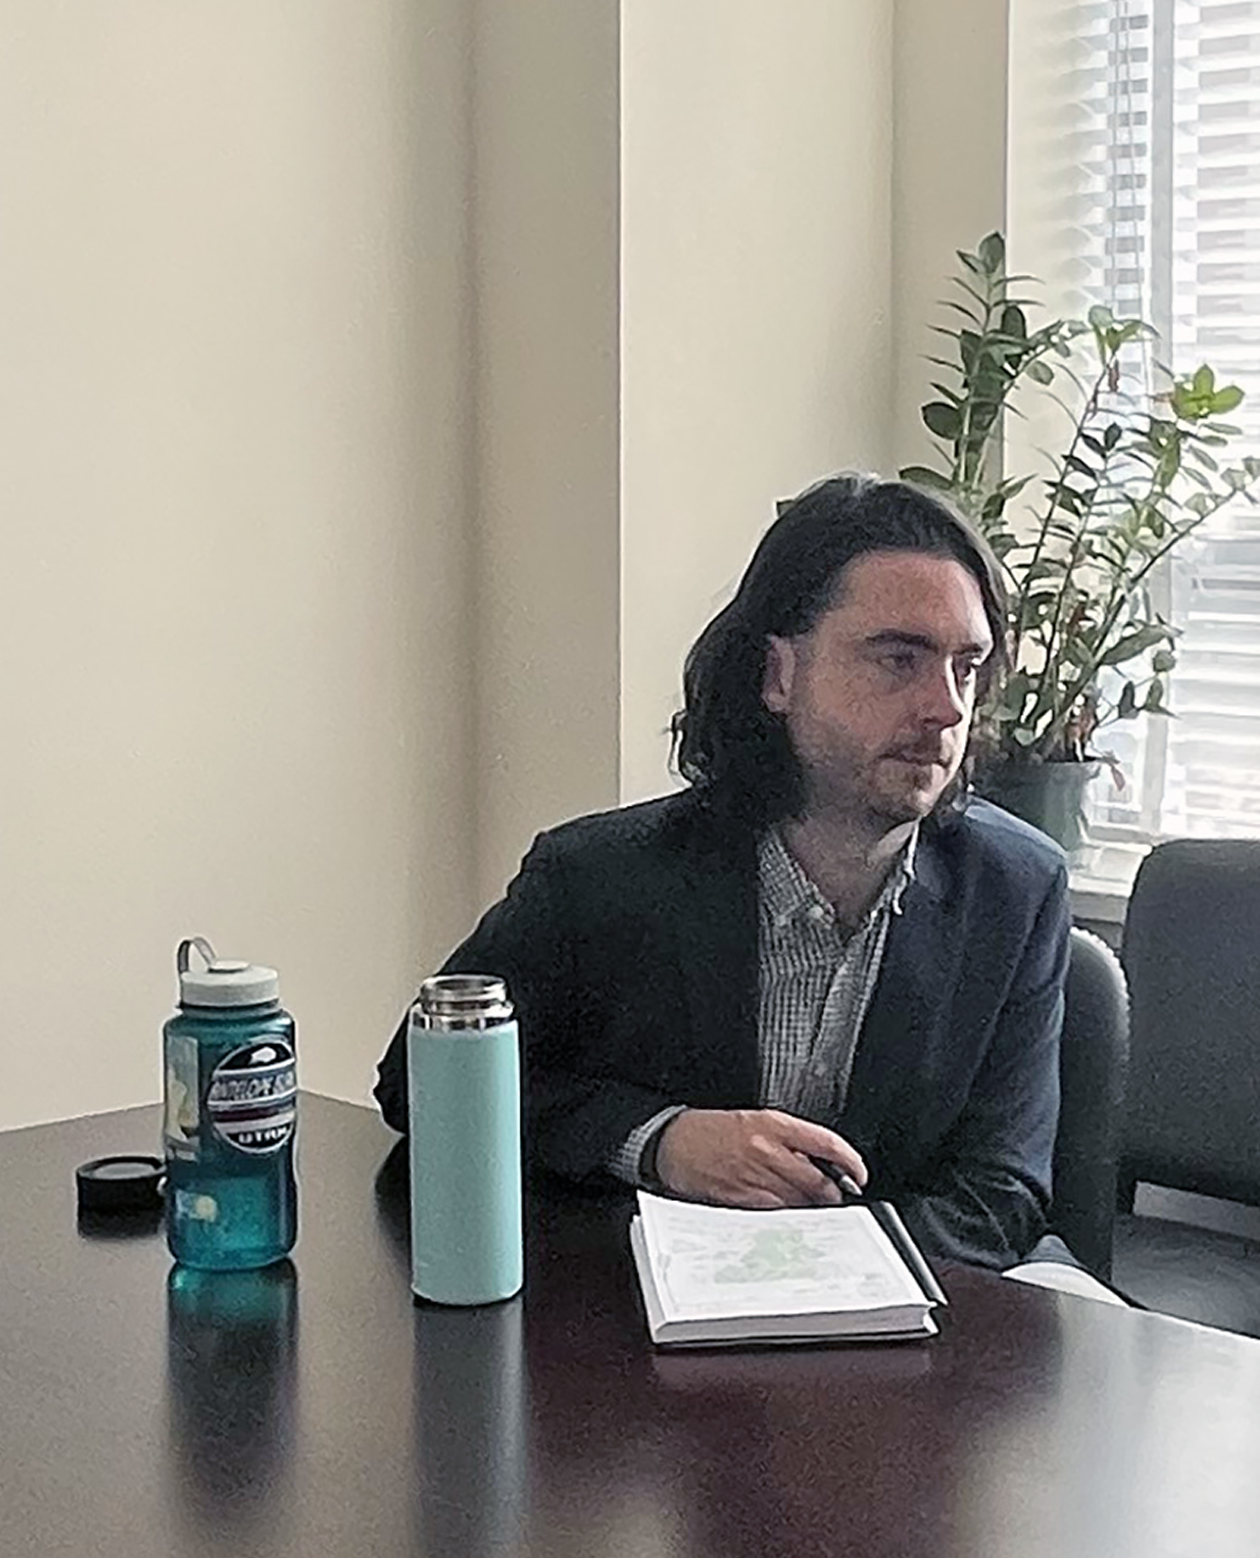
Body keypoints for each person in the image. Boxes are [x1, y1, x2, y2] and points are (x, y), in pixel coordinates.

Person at [377, 473, 1073, 1268]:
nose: (946, 708)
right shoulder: (599, 877)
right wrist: (659, 1141)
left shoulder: (1017, 889)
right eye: (898, 660)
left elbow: (1002, 1193)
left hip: (902, 1326)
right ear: (778, 676)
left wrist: (795, 1267)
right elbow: (418, 1082)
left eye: (966, 667)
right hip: (642, 1328)